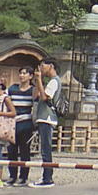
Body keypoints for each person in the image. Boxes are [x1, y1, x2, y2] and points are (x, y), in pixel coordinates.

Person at [30, 57, 62, 188]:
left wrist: (39, 79)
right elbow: (35, 95)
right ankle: (46, 176)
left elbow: (44, 97)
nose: (41, 68)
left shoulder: (55, 81)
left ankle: (47, 178)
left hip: (47, 117)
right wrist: (39, 80)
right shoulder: (49, 81)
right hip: (43, 117)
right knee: (44, 148)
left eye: (43, 65)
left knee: (46, 148)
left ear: (51, 66)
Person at [4, 66, 35, 186]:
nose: (22, 76)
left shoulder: (32, 91)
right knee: (11, 150)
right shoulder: (12, 88)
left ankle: (23, 177)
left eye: (24, 73)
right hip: (13, 122)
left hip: (26, 122)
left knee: (24, 151)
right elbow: (5, 100)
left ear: (30, 76)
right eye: (21, 73)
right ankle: (12, 175)